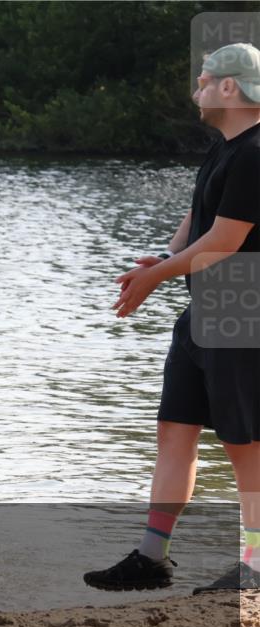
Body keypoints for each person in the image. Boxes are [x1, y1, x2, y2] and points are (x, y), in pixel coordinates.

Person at [84, 43, 260, 592]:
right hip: (202, 313)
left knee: (244, 444)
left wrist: (155, 278)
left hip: (242, 313)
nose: (197, 91)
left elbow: (227, 241)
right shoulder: (226, 148)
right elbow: (200, 217)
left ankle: (255, 567)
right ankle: (151, 557)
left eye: (205, 80)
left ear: (230, 87)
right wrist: (165, 259)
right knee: (174, 428)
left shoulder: (257, 152)